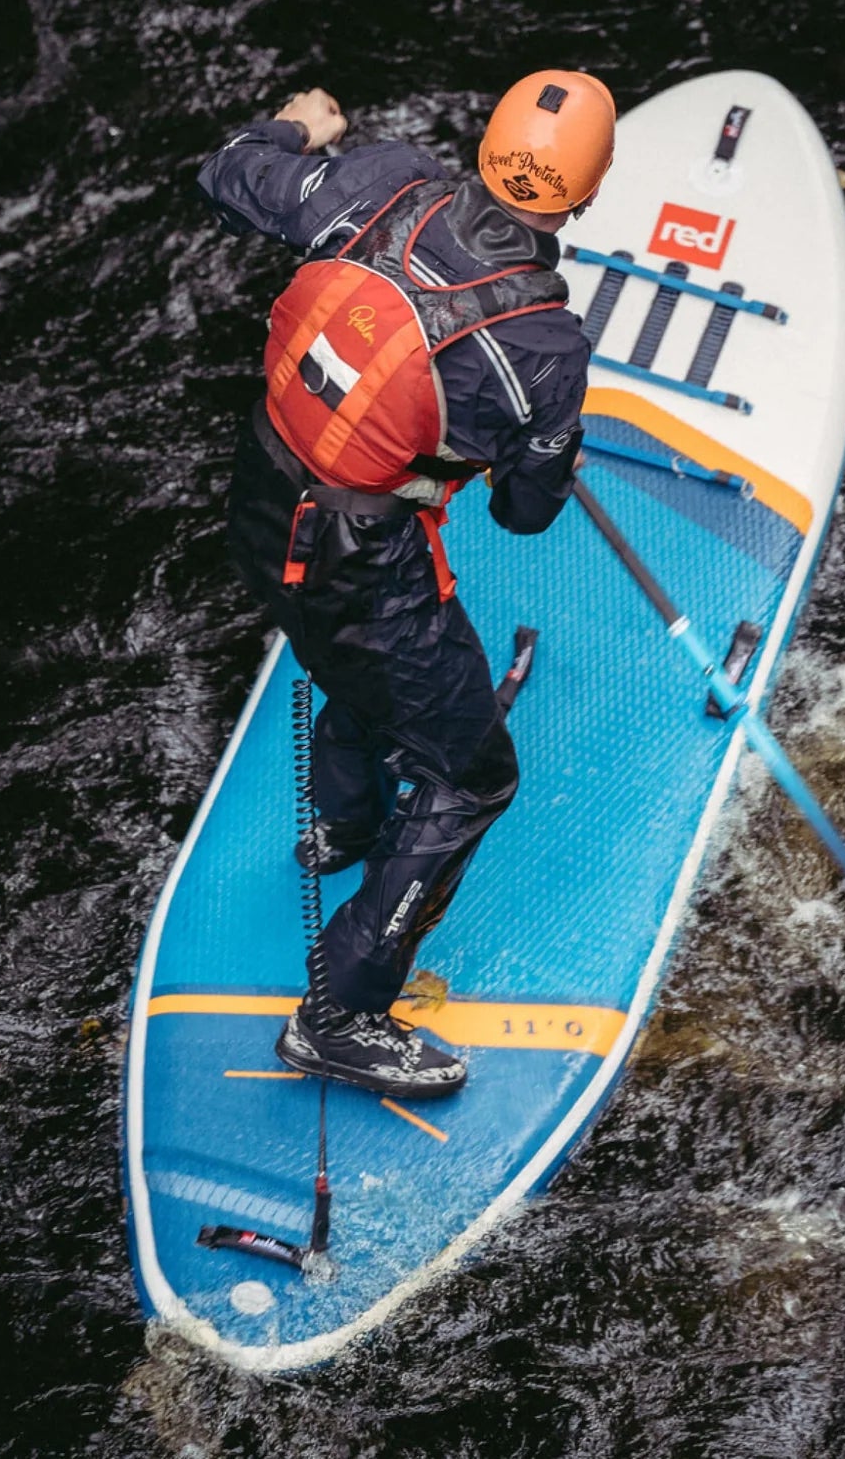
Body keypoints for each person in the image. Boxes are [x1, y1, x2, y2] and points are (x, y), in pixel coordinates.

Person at [197, 69, 615, 1099]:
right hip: (360, 561)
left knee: (347, 651)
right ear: (586, 195)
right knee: (474, 775)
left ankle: (344, 824)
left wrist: (298, 128)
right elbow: (526, 512)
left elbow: (230, 172)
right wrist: (554, 449)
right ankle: (342, 1014)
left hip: (261, 500)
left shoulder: (377, 181)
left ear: (479, 148)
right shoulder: (543, 346)